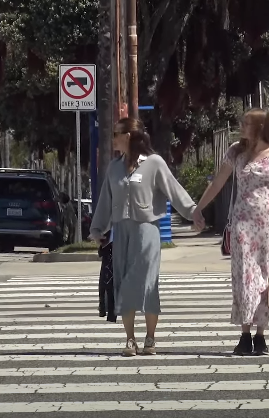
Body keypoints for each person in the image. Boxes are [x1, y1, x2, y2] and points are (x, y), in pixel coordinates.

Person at [90, 117, 201, 357]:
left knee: (147, 284)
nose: (113, 138)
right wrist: (98, 230)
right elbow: (105, 202)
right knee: (123, 283)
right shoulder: (114, 167)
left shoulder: (154, 163)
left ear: (128, 136)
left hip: (147, 231)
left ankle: (150, 338)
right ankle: (130, 340)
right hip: (121, 233)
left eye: (117, 133)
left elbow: (174, 190)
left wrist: (194, 213)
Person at [192, 108, 269, 356]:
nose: (242, 126)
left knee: (265, 280)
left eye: (247, 123)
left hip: (268, 225)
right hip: (242, 225)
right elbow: (217, 182)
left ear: (260, 127)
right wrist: (198, 208)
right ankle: (245, 335)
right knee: (245, 278)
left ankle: (260, 336)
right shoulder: (236, 152)